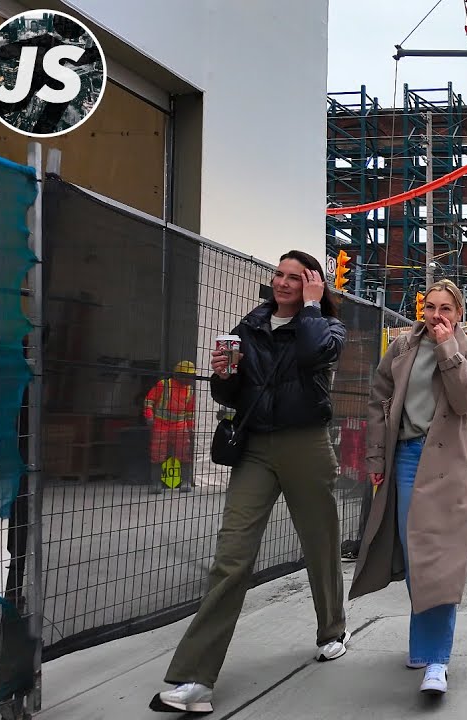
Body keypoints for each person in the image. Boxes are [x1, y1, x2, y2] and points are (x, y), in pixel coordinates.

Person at [151, 251, 349, 715]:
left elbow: (312, 353)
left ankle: (332, 630)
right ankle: (194, 679)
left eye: (294, 277)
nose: (282, 282)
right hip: (255, 446)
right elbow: (231, 393)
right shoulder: (250, 325)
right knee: (231, 556)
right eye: (278, 274)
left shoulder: (327, 327)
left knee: (320, 544)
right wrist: (224, 374)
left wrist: (314, 307)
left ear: (313, 283)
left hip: (306, 443)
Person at [350, 279, 467, 698]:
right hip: (407, 460)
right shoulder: (401, 347)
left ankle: (436, 660)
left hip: (450, 466)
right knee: (416, 558)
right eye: (430, 306)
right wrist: (376, 458)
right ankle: (423, 643)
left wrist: (448, 350)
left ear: (459, 313)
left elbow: (466, 400)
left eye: (445, 308)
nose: (436, 315)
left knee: (439, 561)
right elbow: (378, 401)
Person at [144, 360, 198, 493]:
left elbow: (190, 412)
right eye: (188, 376)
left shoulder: (190, 390)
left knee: (184, 453)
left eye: (191, 376)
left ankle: (185, 481)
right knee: (157, 454)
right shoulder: (163, 385)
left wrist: (190, 427)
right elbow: (148, 401)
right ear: (178, 375)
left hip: (180, 425)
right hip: (161, 424)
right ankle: (156, 483)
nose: (190, 379)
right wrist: (149, 416)